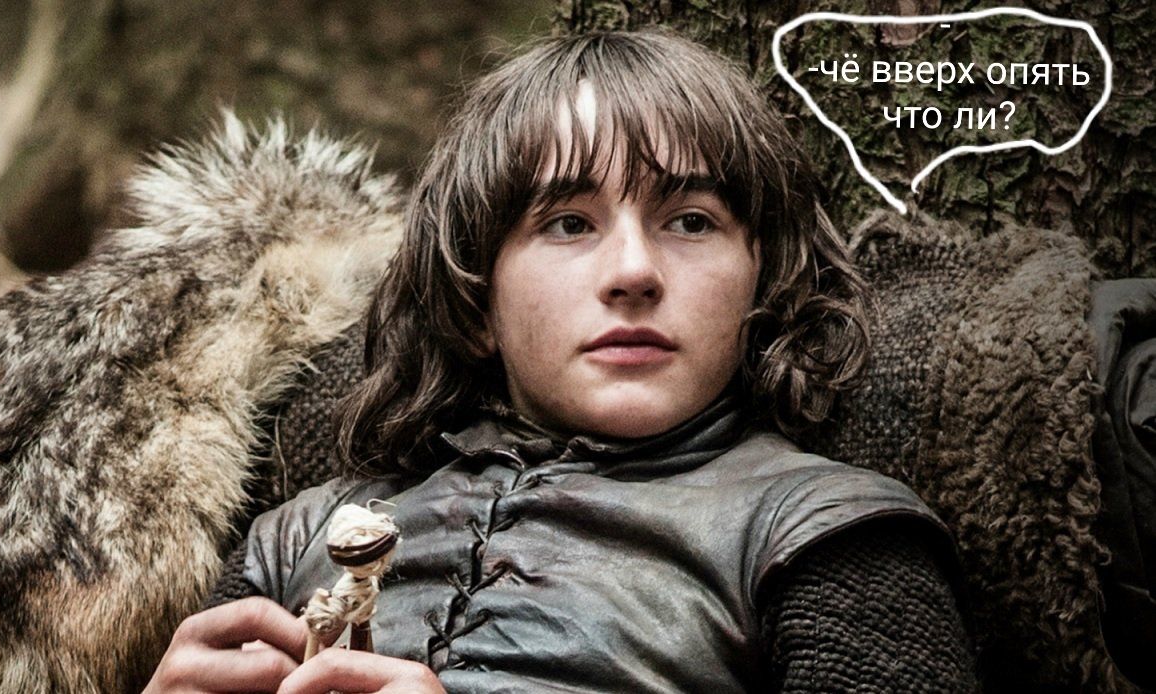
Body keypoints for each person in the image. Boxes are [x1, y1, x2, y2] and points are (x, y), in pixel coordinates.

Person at [144, 30, 977, 693]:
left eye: (690, 221)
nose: (633, 272)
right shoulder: (295, 539)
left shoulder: (822, 535)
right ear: (476, 300)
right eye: (568, 224)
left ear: (767, 280)